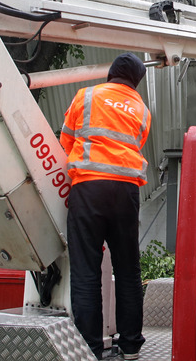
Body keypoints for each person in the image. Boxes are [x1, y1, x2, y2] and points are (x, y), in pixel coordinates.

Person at [61, 53, 151, 360]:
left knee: (86, 272)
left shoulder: (86, 96)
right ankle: (130, 346)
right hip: (126, 191)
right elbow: (135, 144)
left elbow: (67, 140)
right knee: (128, 270)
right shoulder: (142, 110)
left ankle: (91, 349)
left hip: (89, 187)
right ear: (137, 80)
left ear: (111, 74)